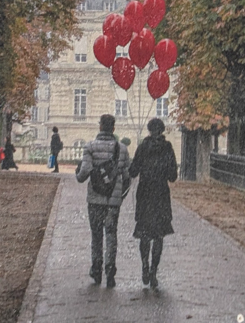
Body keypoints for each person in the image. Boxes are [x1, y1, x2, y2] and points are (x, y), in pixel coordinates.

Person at [75, 113, 131, 287]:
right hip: (113, 200)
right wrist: (120, 195)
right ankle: (110, 269)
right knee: (111, 234)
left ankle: (96, 269)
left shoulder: (90, 146)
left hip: (95, 198)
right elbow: (127, 175)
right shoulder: (122, 149)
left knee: (96, 234)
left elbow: (84, 173)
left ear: (100, 126)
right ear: (113, 128)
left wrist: (78, 174)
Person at [128, 117, 177, 289]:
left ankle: (144, 265)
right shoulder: (167, 148)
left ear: (149, 130)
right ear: (162, 130)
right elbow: (173, 176)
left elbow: (133, 171)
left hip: (145, 194)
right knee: (158, 235)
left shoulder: (143, 147)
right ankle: (154, 271)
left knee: (144, 233)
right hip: (161, 195)